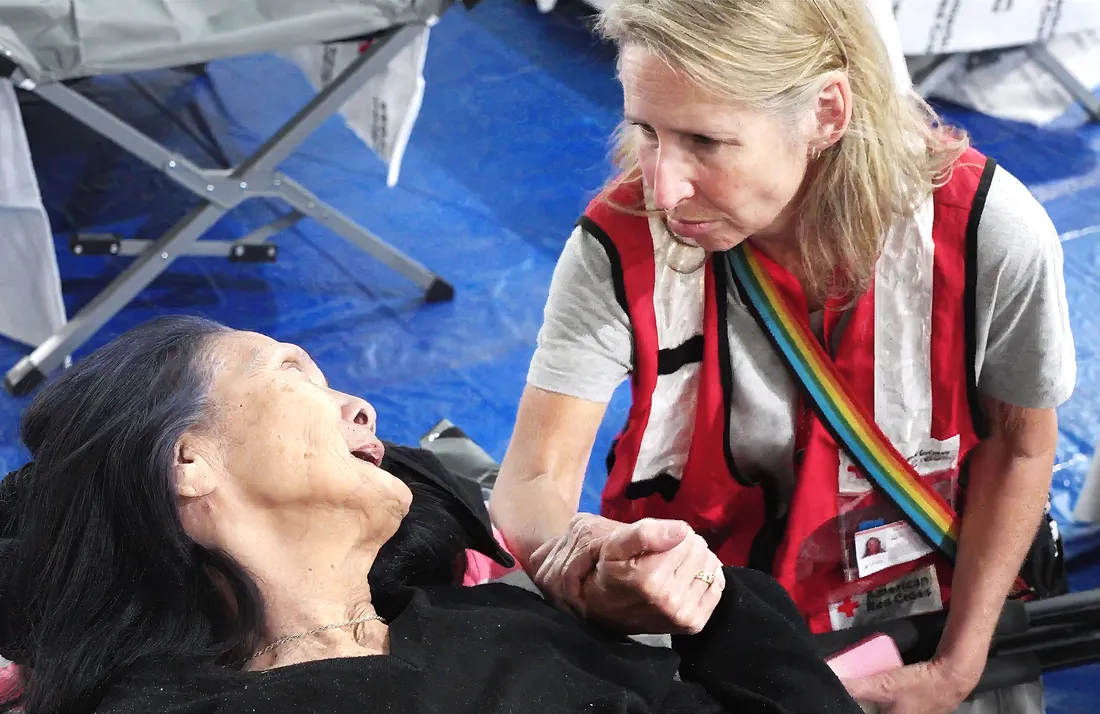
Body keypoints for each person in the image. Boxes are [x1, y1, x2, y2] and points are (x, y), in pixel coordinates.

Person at [488, 1, 1075, 713]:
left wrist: (958, 664)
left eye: (706, 141)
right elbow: (533, 478)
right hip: (707, 638)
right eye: (647, 130)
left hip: (922, 626)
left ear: (827, 112)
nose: (664, 187)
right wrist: (583, 566)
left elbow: (1019, 451)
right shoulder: (621, 242)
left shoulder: (986, 233)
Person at [0, 315, 863, 714]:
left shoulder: (493, 617)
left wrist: (710, 607)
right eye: (295, 372)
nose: (363, 407)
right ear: (187, 459)